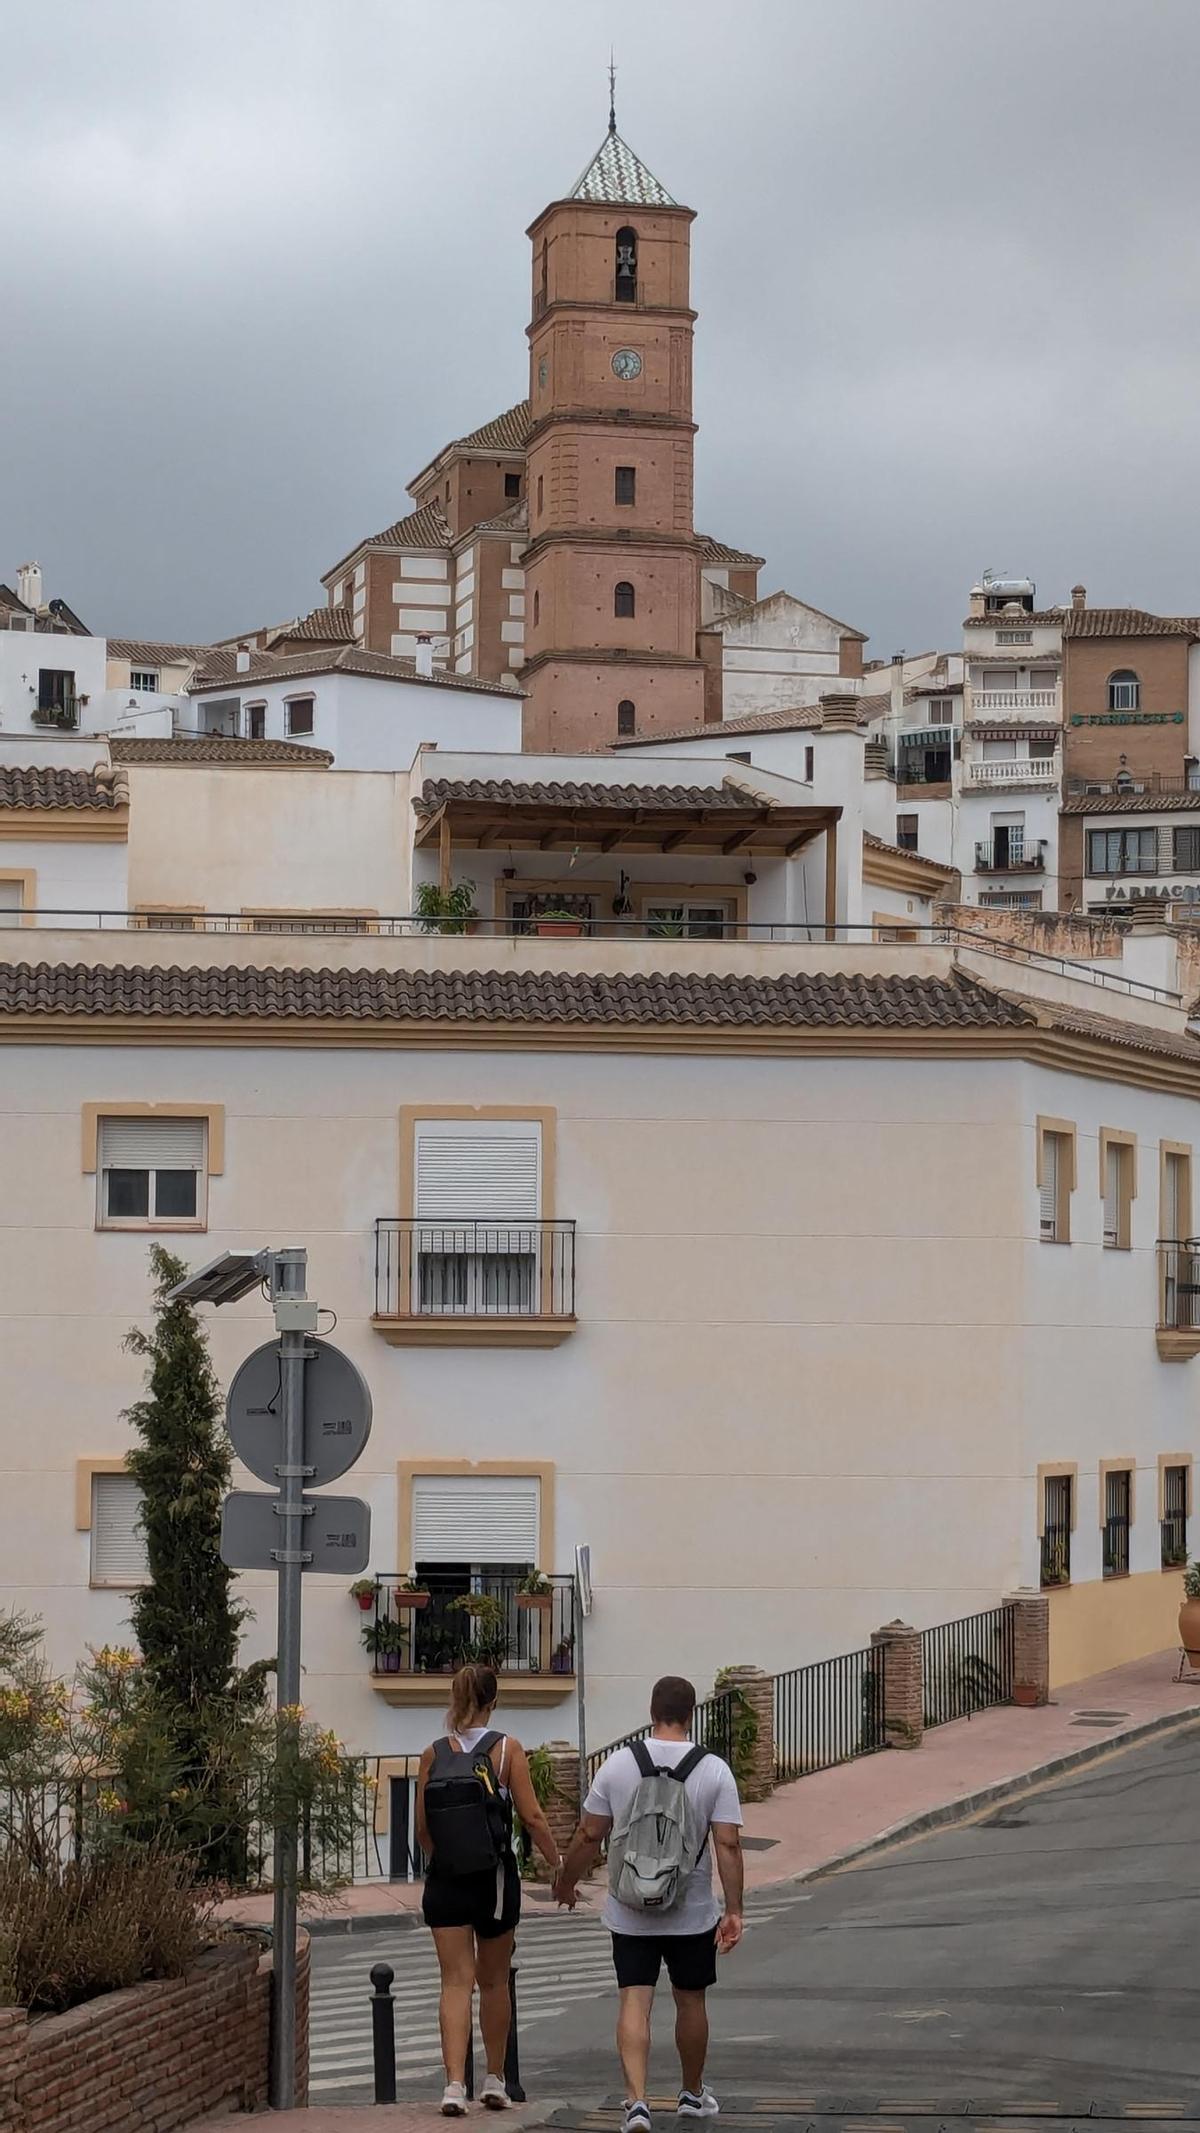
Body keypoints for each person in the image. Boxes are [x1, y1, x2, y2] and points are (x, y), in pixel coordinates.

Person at [554, 1675, 744, 2131]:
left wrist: (566, 1881)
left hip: (629, 1909)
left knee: (634, 2002)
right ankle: (692, 2094)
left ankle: (637, 2103)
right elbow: (728, 1844)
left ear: (651, 1712)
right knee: (690, 2002)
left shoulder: (618, 1766)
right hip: (691, 1912)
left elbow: (588, 1834)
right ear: (690, 1714)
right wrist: (734, 1908)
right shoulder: (713, 1769)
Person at [417, 1661, 563, 2116]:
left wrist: (441, 1863)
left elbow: (422, 1829)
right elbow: (533, 1816)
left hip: (446, 1882)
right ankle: (495, 2080)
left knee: (454, 1983)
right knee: (494, 1980)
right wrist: (557, 1863)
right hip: (493, 1880)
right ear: (493, 1701)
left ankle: (453, 2084)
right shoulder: (505, 1750)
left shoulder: (433, 1753)